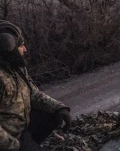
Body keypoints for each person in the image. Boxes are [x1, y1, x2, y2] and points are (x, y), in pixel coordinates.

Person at [0, 20, 72, 151]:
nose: (25, 49)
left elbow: (34, 93)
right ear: (8, 47)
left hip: (21, 129)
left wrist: (59, 108)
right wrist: (17, 146)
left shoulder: (16, 67)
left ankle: (31, 143)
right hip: (8, 139)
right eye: (21, 45)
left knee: (51, 116)